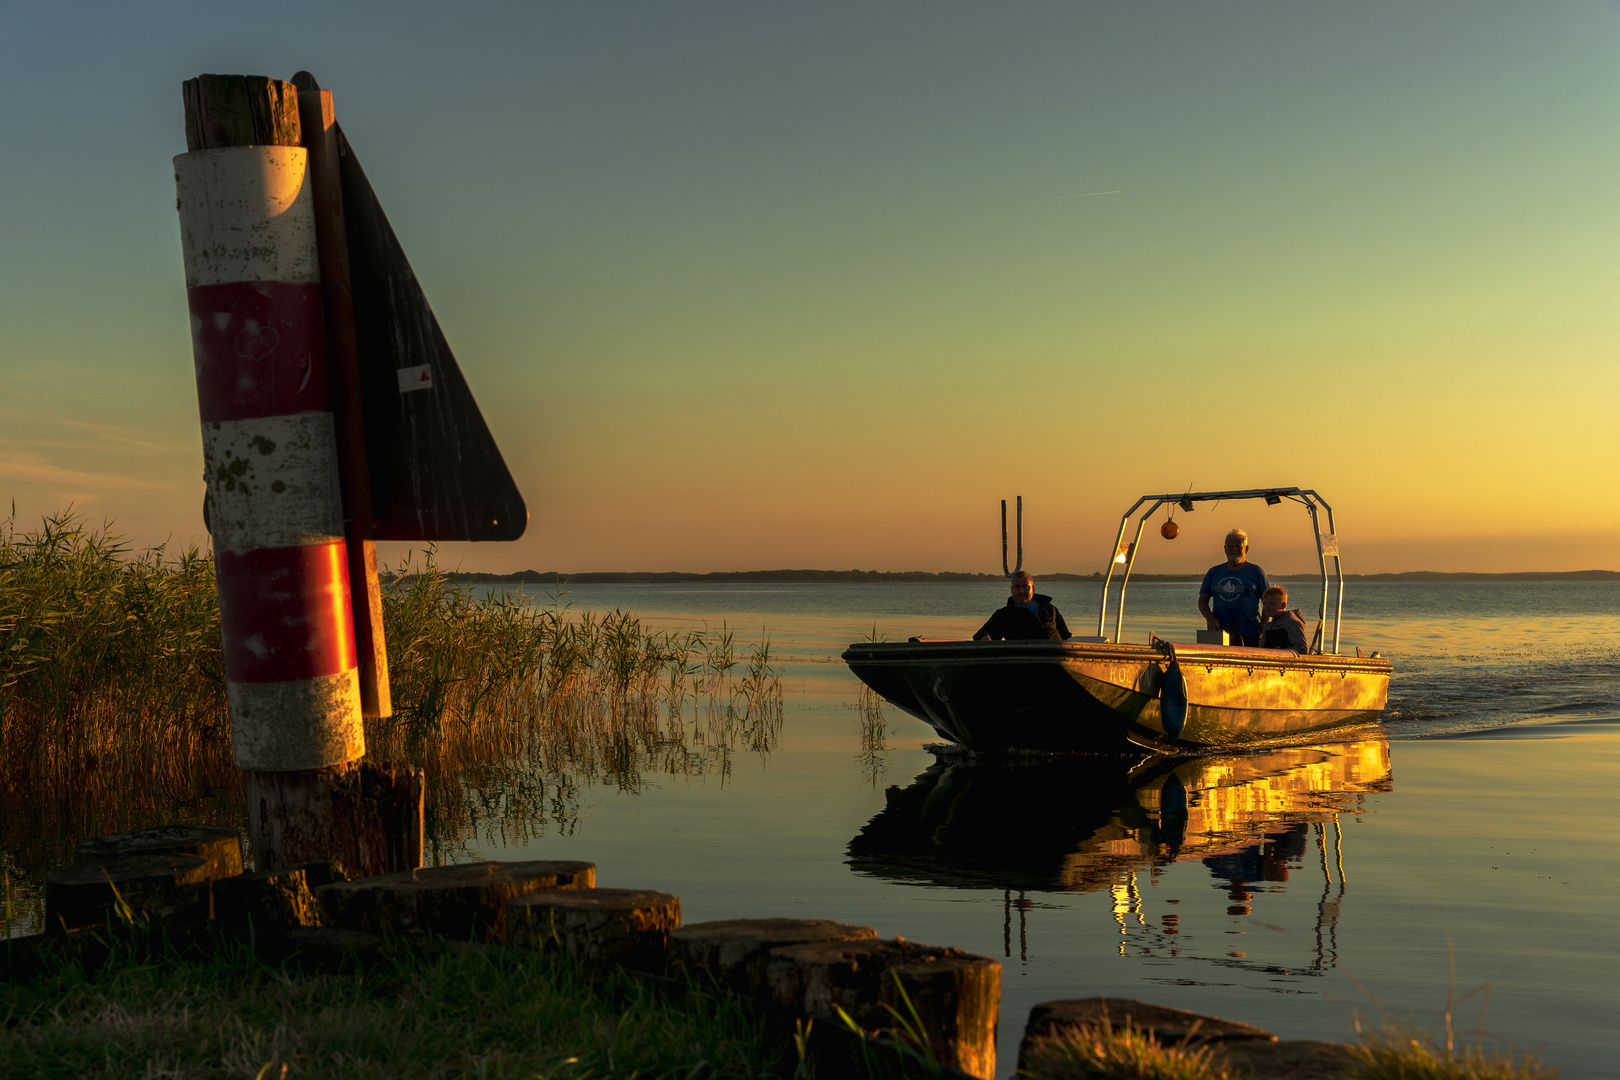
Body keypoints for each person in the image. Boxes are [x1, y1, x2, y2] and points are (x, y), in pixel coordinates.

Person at [1198, 529, 1268, 646]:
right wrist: (1209, 618)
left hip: (1251, 635)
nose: (1234, 549)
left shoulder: (1256, 572)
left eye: (1238, 546)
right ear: (1224, 549)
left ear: (1246, 549)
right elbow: (1202, 600)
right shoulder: (1213, 572)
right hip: (1221, 634)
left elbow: (1268, 602)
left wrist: (1263, 628)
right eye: (1230, 546)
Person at [974, 571, 1072, 641]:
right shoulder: (1004, 615)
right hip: (1022, 658)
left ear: (1033, 589)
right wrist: (984, 637)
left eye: (1026, 587)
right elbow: (980, 635)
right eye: (1017, 587)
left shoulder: (1050, 610)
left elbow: (1067, 638)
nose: (1021, 591)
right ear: (1011, 590)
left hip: (1056, 657)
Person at [1257, 585, 1309, 653]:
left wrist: (1279, 651)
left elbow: (1302, 648)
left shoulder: (1291, 623)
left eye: (1271, 603)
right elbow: (1261, 648)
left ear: (1283, 605)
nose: (1267, 607)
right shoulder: (1268, 626)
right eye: (1264, 604)